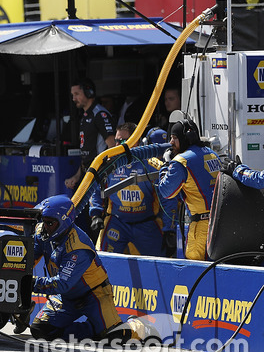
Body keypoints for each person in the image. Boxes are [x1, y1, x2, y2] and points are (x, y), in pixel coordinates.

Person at [23, 195, 127, 342]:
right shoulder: (42, 233)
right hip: (66, 298)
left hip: (94, 295)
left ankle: (137, 326)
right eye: (43, 221)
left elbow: (62, 284)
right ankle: (92, 329)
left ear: (63, 222)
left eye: (50, 223)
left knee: (116, 337)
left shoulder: (78, 247)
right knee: (41, 330)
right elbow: (28, 260)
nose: (45, 226)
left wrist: (29, 283)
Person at [88, 123, 177, 257]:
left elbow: (168, 197)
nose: (117, 144)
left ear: (135, 141)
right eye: (116, 140)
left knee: (159, 263)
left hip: (146, 224)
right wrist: (95, 214)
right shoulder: (107, 164)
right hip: (117, 222)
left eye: (122, 141)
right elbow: (94, 189)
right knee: (103, 259)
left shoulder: (152, 165)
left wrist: (169, 230)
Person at [157, 118, 220, 261]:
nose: (171, 142)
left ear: (186, 138)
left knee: (198, 274)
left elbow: (166, 191)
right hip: (220, 223)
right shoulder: (212, 153)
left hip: (202, 227)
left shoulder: (181, 161)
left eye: (174, 138)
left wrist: (166, 165)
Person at [65, 79, 116, 190]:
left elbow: (112, 147)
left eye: (77, 94)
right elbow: (86, 154)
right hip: (89, 173)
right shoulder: (85, 116)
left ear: (89, 93)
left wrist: (105, 173)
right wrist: (77, 176)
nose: (74, 99)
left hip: (99, 175)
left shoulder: (99, 114)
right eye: (72, 95)